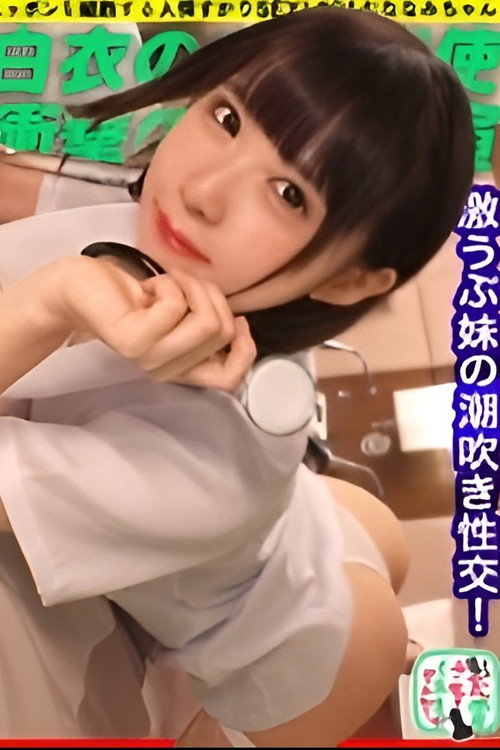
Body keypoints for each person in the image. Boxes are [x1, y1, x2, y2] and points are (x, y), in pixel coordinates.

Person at [0, 7, 474, 746]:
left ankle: (402, 651)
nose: (204, 189)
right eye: (227, 117)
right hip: (307, 519)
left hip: (306, 649)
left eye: (289, 194)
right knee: (339, 526)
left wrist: (48, 304)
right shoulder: (145, 211)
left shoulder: (208, 466)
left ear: (349, 280)